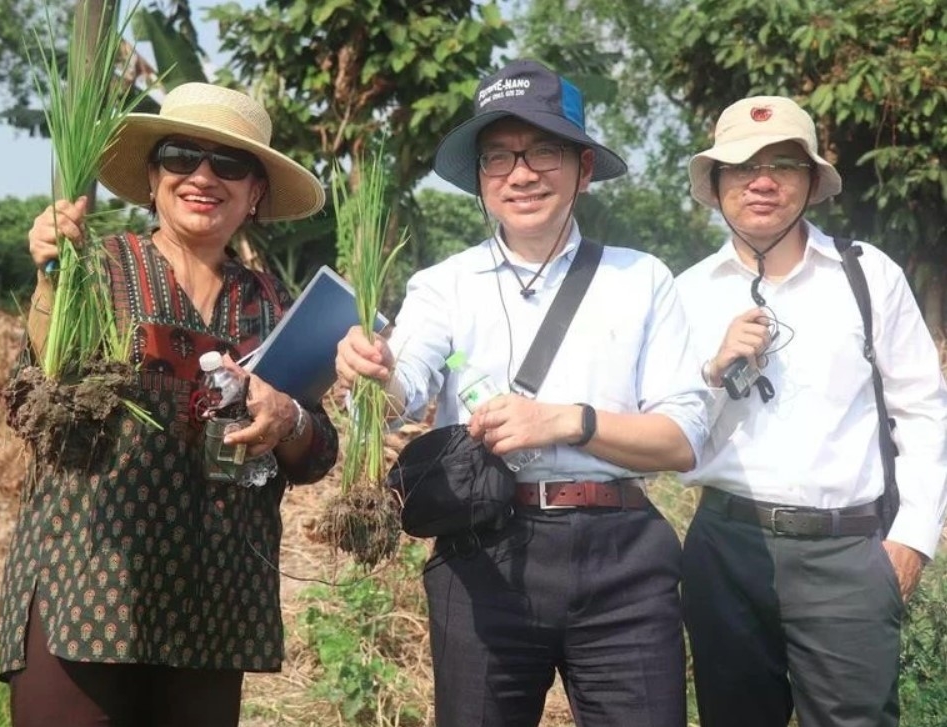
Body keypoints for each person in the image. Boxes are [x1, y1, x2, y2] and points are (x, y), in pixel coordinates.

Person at [336, 59, 709, 727]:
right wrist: (371, 367)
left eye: (544, 151)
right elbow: (403, 383)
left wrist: (566, 420)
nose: (521, 172)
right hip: (482, 555)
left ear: (583, 169)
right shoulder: (444, 283)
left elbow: (681, 440)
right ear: (479, 178)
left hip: (621, 555)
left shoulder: (641, 278)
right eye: (499, 156)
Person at [0, 82, 339, 727]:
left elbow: (318, 450)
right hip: (89, 584)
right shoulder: (95, 270)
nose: (202, 177)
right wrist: (51, 276)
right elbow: (32, 401)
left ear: (256, 192)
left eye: (230, 165)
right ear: (153, 177)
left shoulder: (278, 306)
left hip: (215, 604)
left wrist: (286, 419)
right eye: (181, 156)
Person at [675, 95, 947, 727]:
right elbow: (669, 431)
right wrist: (712, 371)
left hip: (847, 550)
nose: (762, 181)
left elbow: (924, 410)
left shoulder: (865, 274)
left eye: (783, 165)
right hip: (725, 547)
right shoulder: (685, 293)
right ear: (715, 185)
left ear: (811, 182)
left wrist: (912, 539)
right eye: (741, 166)